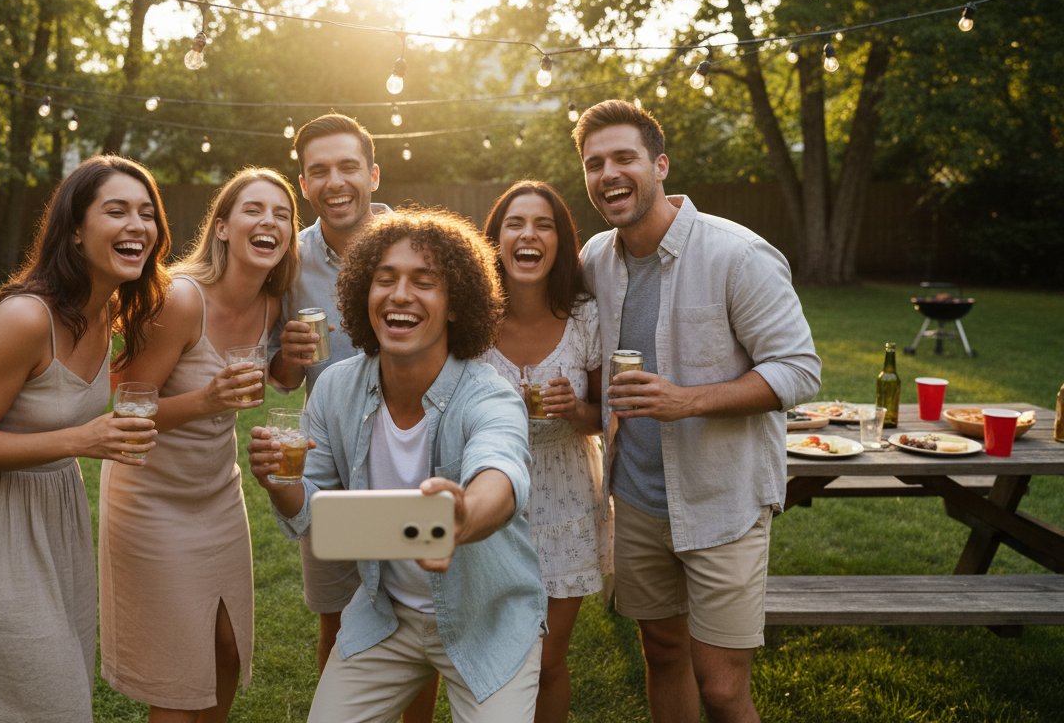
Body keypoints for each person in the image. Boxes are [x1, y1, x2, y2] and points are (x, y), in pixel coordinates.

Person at [573, 99, 821, 722]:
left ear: (659, 165)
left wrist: (688, 401)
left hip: (721, 499)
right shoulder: (595, 260)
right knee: (661, 653)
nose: (609, 173)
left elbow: (798, 369)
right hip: (633, 498)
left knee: (721, 686)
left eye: (624, 157)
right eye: (594, 162)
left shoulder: (738, 254)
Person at [248, 209, 547, 722]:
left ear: (456, 306)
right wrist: (282, 483)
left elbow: (501, 469)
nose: (400, 295)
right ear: (364, 295)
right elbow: (315, 513)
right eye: (384, 280)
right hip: (386, 617)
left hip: (486, 619)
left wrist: (464, 515)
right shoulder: (336, 389)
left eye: (424, 282)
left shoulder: (489, 395)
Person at [0, 155, 169, 723]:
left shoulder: (110, 308)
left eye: (147, 213)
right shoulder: (24, 318)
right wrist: (81, 438)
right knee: (33, 700)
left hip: (56, 520)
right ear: (76, 231)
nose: (138, 225)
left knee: (60, 685)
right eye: (116, 211)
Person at [99, 167, 299, 722]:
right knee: (178, 671)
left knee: (227, 649)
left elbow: (276, 380)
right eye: (254, 210)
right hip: (151, 498)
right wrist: (206, 401)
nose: (270, 221)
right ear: (223, 229)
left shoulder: (271, 306)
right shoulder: (182, 301)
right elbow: (124, 412)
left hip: (217, 492)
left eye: (282, 214)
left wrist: (292, 362)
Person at [267, 113, 439, 720]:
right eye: (319, 171)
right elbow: (281, 378)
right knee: (341, 620)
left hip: (415, 449)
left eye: (346, 167)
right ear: (304, 183)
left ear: (373, 172)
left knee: (420, 616)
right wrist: (287, 361)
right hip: (332, 460)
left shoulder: (420, 243)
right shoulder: (290, 261)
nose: (334, 182)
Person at [480, 180, 612, 722]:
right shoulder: (472, 318)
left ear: (560, 241)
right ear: (496, 238)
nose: (528, 234)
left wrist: (574, 411)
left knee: (549, 660)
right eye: (515, 223)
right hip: (491, 498)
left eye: (543, 224)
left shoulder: (585, 317)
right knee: (496, 656)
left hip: (565, 498)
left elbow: (606, 414)